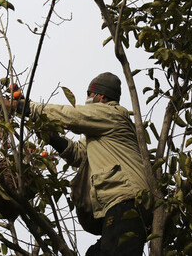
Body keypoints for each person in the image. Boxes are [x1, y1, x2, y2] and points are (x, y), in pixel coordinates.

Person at [18, 72, 152, 256]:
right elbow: (77, 153)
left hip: (127, 200)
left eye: (90, 94)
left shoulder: (112, 114)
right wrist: (49, 135)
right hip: (118, 205)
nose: (87, 99)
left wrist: (25, 107)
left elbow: (71, 115)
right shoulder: (100, 135)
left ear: (102, 96)